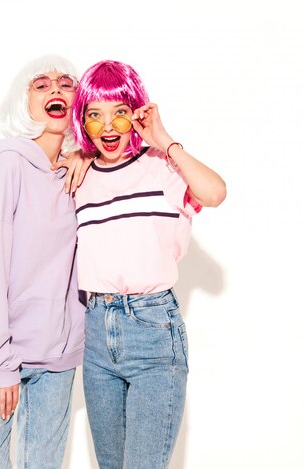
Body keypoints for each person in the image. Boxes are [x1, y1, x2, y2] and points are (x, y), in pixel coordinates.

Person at [71, 60, 227, 468]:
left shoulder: (162, 168)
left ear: (136, 114)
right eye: (95, 115)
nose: (107, 127)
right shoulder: (79, 179)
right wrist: (73, 155)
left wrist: (164, 139)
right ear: (82, 121)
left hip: (153, 330)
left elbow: (214, 192)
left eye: (119, 113)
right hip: (96, 335)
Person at [0, 54, 90, 469]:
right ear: (25, 103)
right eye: (41, 84)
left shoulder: (78, 174)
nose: (55, 88)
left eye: (66, 83)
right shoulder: (7, 165)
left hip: (57, 357)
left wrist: (84, 156)